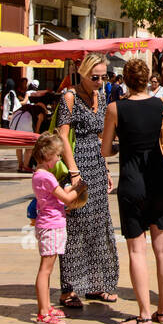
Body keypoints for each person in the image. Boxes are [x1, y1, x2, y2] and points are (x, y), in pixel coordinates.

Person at [101, 58, 163, 324]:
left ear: (125, 80)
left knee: (137, 251)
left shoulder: (115, 108)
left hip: (132, 183)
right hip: (162, 181)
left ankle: (143, 314)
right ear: (148, 78)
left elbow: (105, 150)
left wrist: (122, 147)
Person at [54, 53, 119, 308]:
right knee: (75, 228)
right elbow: (62, 137)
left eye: (104, 77)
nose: (99, 82)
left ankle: (95, 284)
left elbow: (102, 136)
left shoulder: (100, 97)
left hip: (96, 166)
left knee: (98, 225)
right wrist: (73, 172)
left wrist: (106, 169)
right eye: (95, 77)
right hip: (78, 166)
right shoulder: (69, 97)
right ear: (82, 73)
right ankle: (68, 289)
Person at [30, 132, 86, 324]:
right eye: (57, 155)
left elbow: (60, 194)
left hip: (49, 223)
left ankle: (46, 307)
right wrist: (79, 189)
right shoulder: (48, 177)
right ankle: (43, 312)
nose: (59, 159)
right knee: (45, 270)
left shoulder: (40, 175)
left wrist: (71, 188)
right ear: (47, 156)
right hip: (51, 225)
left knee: (48, 268)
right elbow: (67, 199)